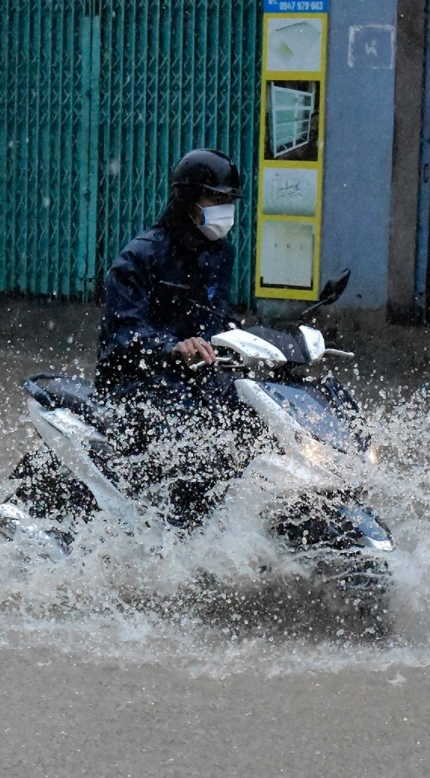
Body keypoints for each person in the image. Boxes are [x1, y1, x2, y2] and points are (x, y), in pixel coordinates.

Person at [94, 148, 253, 526]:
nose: (224, 208)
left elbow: (220, 318)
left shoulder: (220, 254)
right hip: (136, 384)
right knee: (189, 444)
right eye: (215, 198)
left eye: (228, 200)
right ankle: (169, 529)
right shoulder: (140, 256)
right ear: (187, 199)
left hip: (196, 381)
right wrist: (170, 347)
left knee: (250, 423)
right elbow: (123, 333)